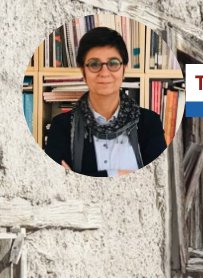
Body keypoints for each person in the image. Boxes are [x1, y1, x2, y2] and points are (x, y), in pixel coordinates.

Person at [43, 27, 167, 177]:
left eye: (113, 63)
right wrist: (119, 174)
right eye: (94, 64)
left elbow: (158, 178)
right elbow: (56, 183)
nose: (104, 72)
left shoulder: (150, 122)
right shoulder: (61, 126)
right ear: (83, 71)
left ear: (124, 70)